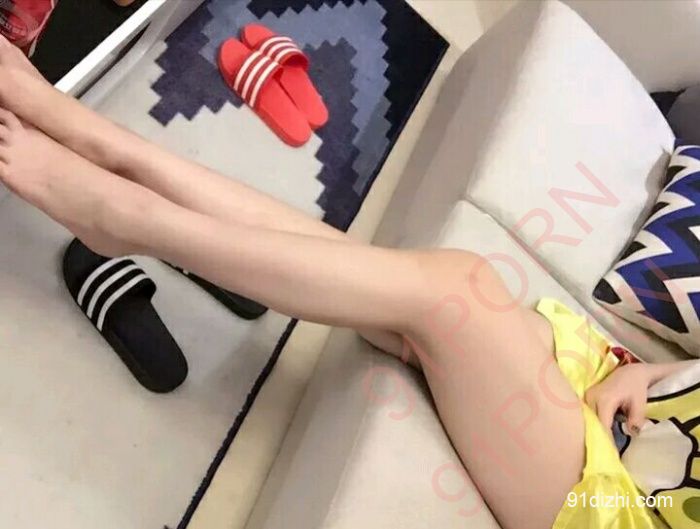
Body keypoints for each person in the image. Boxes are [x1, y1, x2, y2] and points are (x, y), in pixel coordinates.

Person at [0, 36, 690, 529]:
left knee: (455, 292)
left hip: (618, 508)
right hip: (624, 396)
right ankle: (106, 148)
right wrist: (652, 376)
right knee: (396, 288)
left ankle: (127, 216)